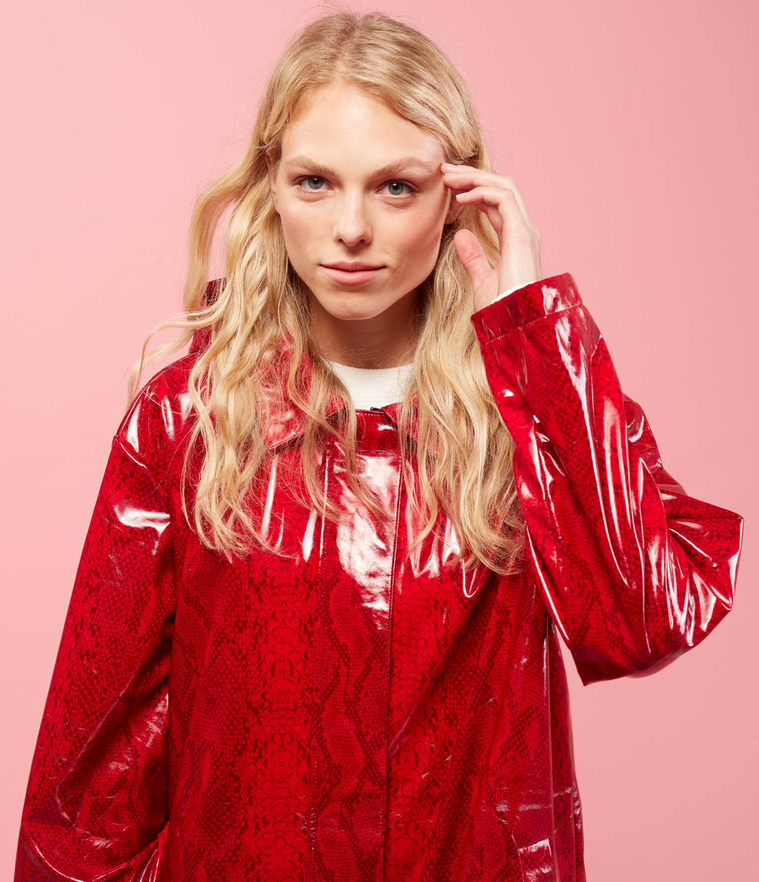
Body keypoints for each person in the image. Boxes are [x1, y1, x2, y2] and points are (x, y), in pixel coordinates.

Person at [14, 11, 744, 882]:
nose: (351, 229)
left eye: (396, 186)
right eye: (315, 181)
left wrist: (537, 329)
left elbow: (643, 619)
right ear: (270, 190)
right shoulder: (189, 419)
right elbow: (89, 781)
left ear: (458, 195)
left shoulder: (531, 410)